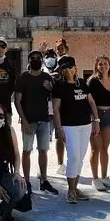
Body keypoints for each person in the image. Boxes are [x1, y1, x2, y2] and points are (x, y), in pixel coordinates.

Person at [53, 56, 101, 202]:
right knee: (73, 157)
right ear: (61, 70)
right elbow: (56, 108)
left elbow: (91, 102)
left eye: (71, 66)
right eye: (65, 68)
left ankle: (75, 188)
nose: (69, 70)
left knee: (80, 158)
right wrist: (59, 128)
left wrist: (96, 121)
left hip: (85, 125)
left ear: (75, 67)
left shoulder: (82, 83)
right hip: (68, 126)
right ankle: (70, 190)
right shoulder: (59, 86)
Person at [14, 50, 58, 195]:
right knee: (27, 151)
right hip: (29, 120)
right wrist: (24, 121)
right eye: (32, 58)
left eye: (38, 58)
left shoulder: (46, 77)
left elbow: (53, 99)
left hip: (44, 120)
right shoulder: (23, 78)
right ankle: (26, 182)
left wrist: (51, 89)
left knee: (43, 150)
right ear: (28, 61)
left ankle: (44, 180)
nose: (35, 60)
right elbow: (17, 101)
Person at [87, 56, 110, 191]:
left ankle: (104, 176)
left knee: (105, 148)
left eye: (105, 64)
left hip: (109, 115)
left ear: (109, 65)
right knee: (95, 148)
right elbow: (88, 102)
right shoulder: (93, 81)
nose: (103, 66)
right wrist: (94, 120)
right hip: (96, 115)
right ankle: (95, 178)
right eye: (100, 64)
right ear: (96, 66)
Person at [43, 47, 66, 176]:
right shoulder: (41, 70)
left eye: (52, 55)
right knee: (44, 141)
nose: (50, 57)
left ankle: (60, 164)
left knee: (60, 138)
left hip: (59, 110)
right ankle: (43, 167)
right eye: (47, 55)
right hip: (45, 111)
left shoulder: (61, 70)